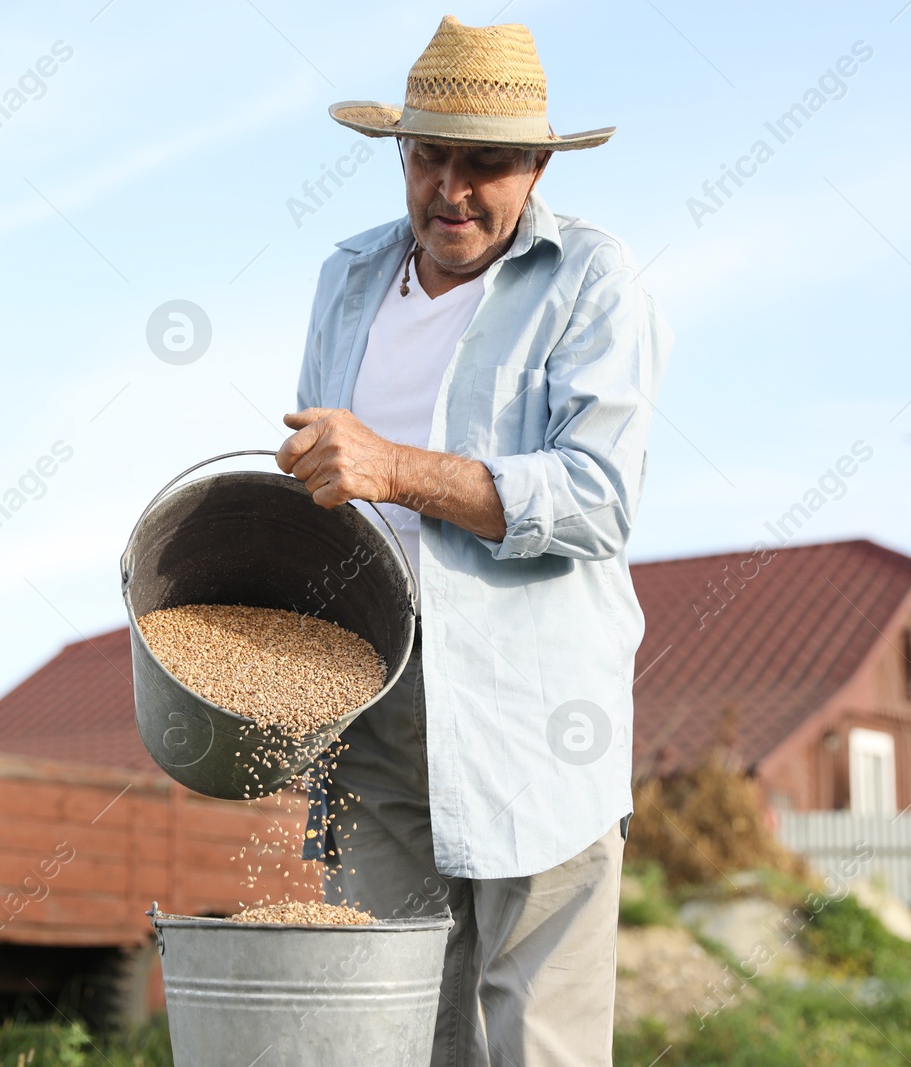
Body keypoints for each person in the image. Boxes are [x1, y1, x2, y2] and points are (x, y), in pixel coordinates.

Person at [274, 15, 672, 1066]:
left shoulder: (592, 279)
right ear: (400, 152)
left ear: (536, 165)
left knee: (535, 1039)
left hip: (533, 714)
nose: (450, 187)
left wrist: (395, 466)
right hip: (378, 714)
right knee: (386, 1026)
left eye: (484, 161)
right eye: (428, 154)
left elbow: (595, 498)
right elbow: (329, 478)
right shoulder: (348, 277)